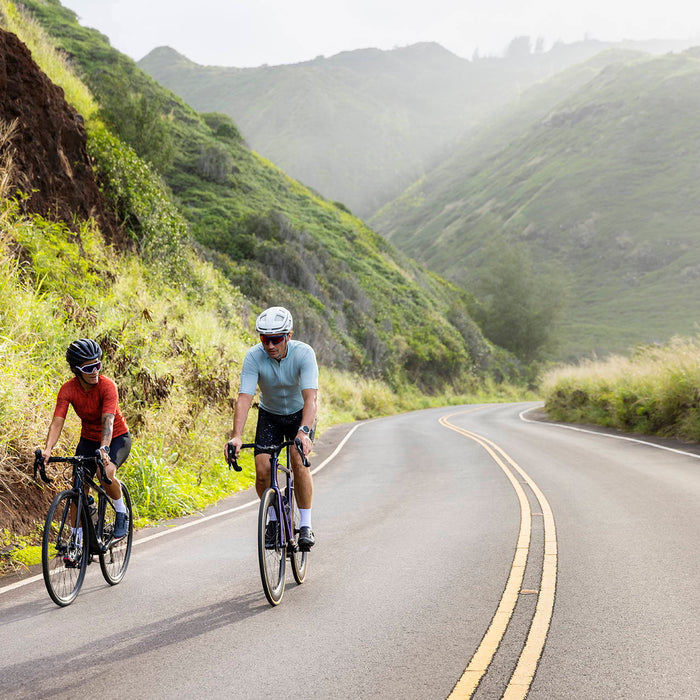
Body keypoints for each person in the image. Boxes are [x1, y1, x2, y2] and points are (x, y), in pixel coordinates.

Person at [225, 306, 318, 550]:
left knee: (298, 461)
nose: (269, 345)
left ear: (289, 335)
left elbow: (311, 398)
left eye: (276, 339)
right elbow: (244, 397)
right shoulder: (254, 357)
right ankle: (275, 520)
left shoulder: (304, 354)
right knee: (263, 469)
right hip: (270, 415)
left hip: (300, 415)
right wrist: (236, 436)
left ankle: (306, 525)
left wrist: (304, 432)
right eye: (264, 339)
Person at [42, 338, 132, 541]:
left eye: (98, 364)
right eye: (89, 367)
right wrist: (48, 449)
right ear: (76, 370)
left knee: (105, 473)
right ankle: (76, 541)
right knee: (77, 488)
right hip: (88, 440)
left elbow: (108, 421)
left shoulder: (108, 386)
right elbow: (57, 422)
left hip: (116, 437)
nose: (95, 371)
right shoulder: (68, 390)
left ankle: (120, 512)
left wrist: (105, 449)